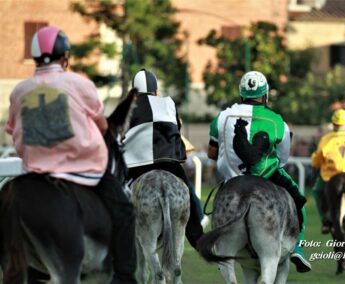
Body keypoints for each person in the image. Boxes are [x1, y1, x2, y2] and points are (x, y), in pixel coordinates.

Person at [5, 26, 136, 284]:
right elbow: (102, 125)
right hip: (82, 170)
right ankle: (124, 277)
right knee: (125, 212)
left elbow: (12, 130)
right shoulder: (78, 83)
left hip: (34, 170)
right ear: (64, 57)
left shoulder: (19, 91)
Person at [207, 71, 312, 273]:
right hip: (268, 177)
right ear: (265, 95)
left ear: (241, 93)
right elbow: (283, 158)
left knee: (219, 205)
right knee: (299, 200)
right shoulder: (278, 121)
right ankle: (298, 247)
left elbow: (212, 152)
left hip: (232, 180)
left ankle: (218, 243)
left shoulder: (221, 117)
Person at [122, 68, 204, 249]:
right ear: (155, 90)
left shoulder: (127, 106)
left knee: (117, 197)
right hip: (168, 162)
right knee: (188, 192)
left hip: (137, 165)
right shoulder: (168, 102)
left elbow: (122, 137)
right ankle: (199, 238)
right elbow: (176, 129)